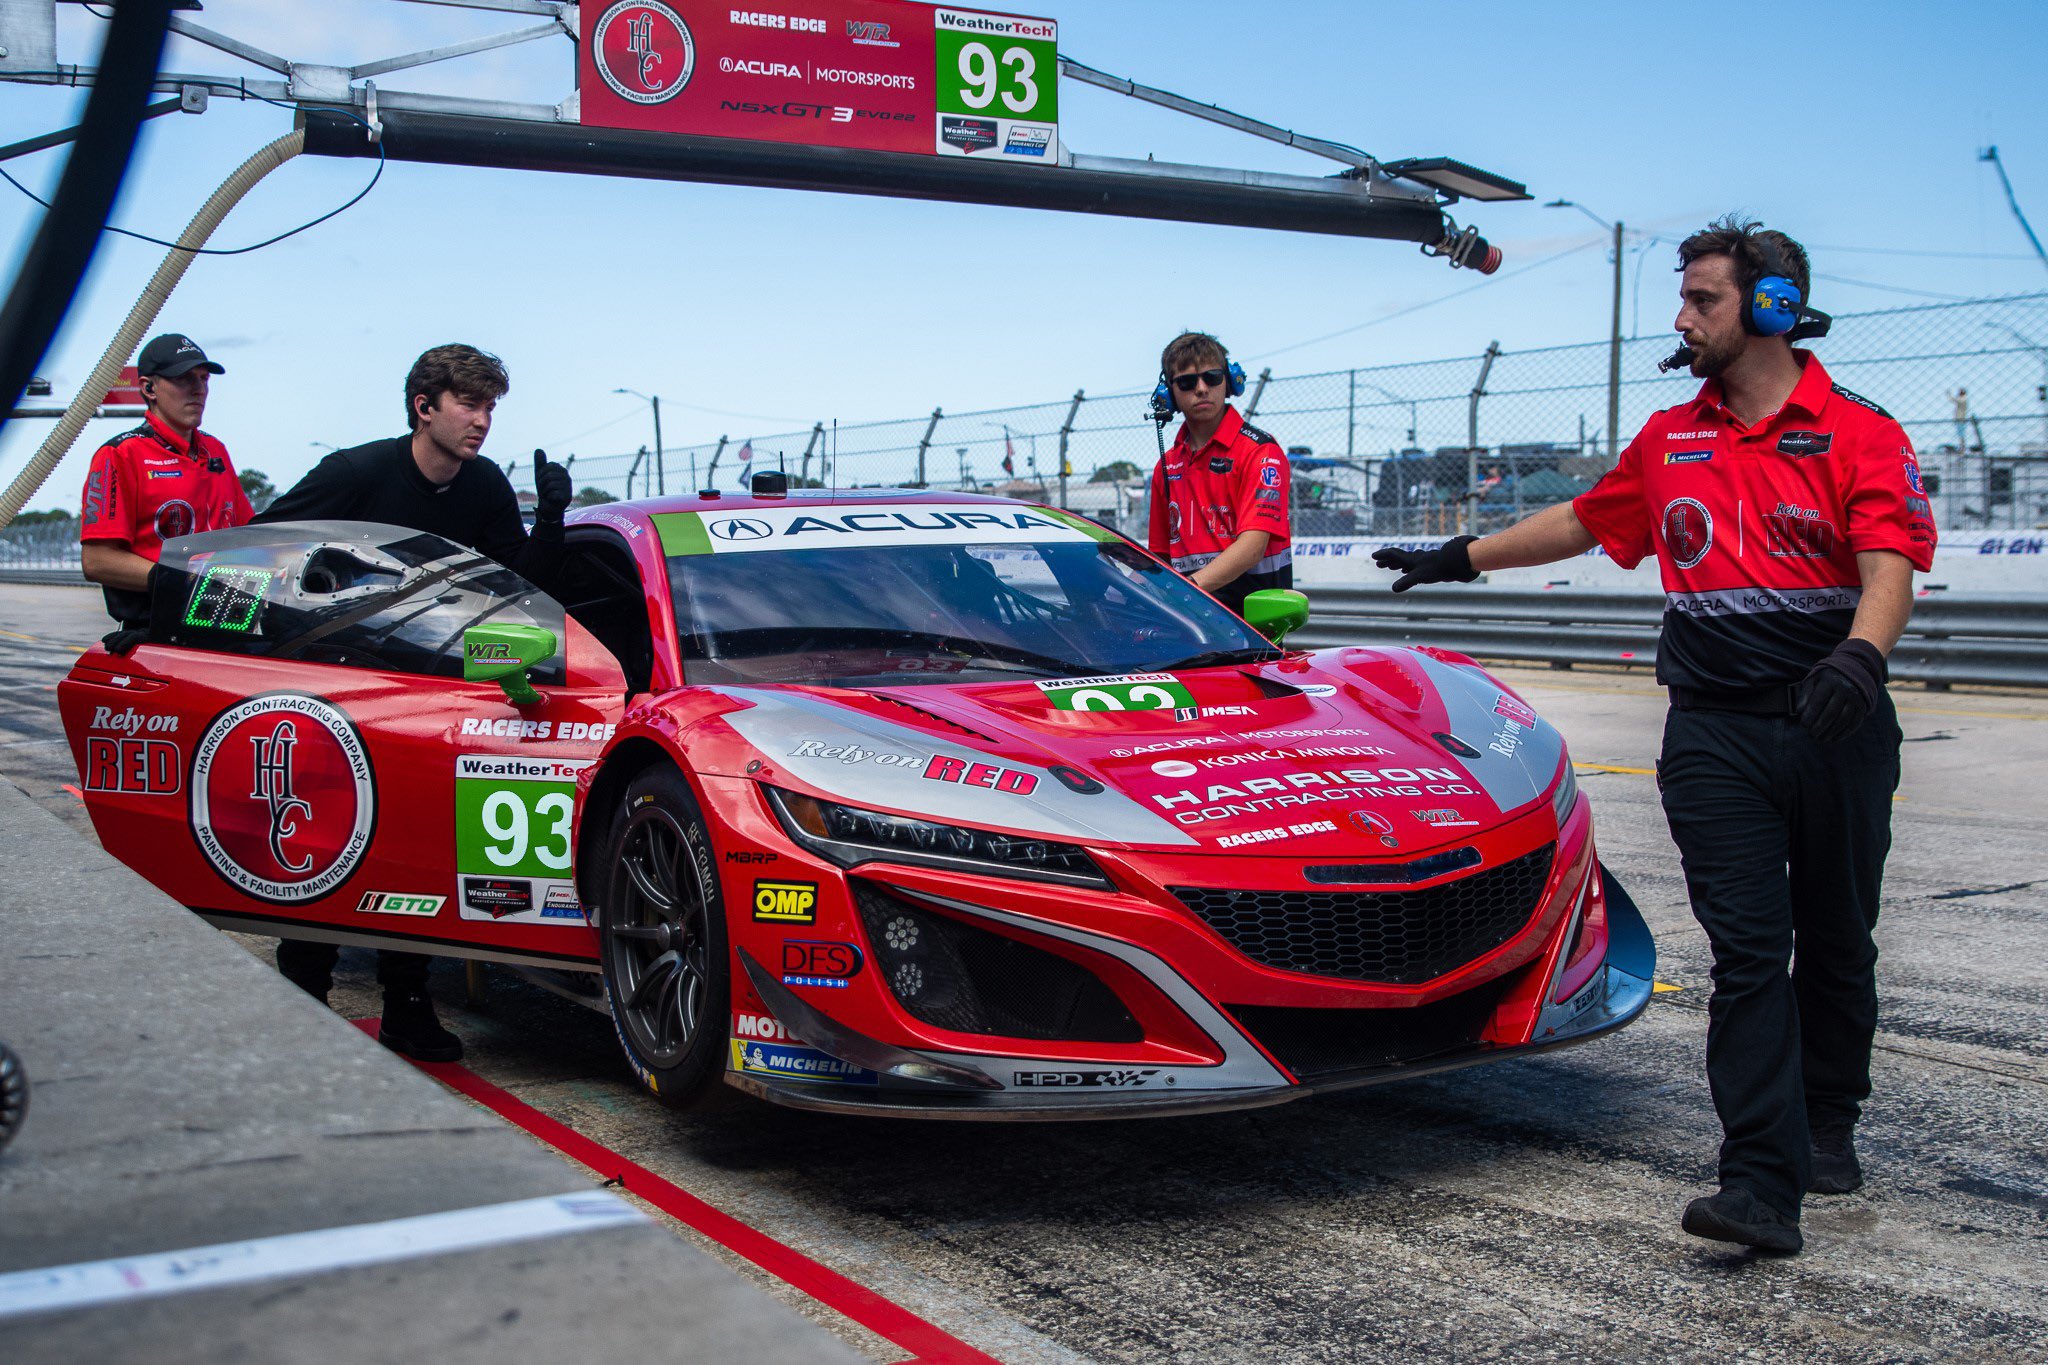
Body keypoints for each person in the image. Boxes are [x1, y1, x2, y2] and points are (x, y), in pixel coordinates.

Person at [1374, 218, 1935, 1256]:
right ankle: (1761, 1183)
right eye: (1680, 299)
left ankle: (1827, 1120)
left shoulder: (1859, 431)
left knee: (1836, 940)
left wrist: (1858, 658)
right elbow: (1589, 521)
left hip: (1831, 724)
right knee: (1747, 955)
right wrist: (1460, 555)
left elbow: (1887, 563)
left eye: (1702, 301)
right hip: (1713, 733)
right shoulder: (1671, 437)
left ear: (1769, 307)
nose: (1680, 320)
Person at [256, 343, 572, 1062]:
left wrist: (550, 520)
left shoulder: (485, 484)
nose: (483, 420)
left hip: (437, 692)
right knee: (325, 836)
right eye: (469, 403)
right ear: (424, 406)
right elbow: (261, 545)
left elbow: (521, 594)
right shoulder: (355, 472)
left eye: (491, 406)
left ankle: (406, 1004)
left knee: (419, 846)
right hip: (338, 688)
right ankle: (303, 992)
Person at [79, 333, 254, 624]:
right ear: (149, 388)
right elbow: (97, 561)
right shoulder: (121, 453)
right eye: (184, 379)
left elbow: (250, 533)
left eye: (203, 379)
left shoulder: (216, 450)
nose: (198, 389)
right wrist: (181, 582)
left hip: (225, 620)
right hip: (155, 627)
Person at [1146, 331, 1292, 615]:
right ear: (1169, 395)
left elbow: (1252, 547)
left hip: (1252, 626)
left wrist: (1185, 591)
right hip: (1189, 619)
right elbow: (1159, 558)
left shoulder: (1260, 452)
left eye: (1211, 377)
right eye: (1187, 382)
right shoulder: (1166, 466)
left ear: (1229, 382)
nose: (1201, 388)